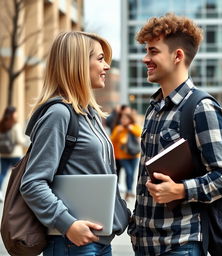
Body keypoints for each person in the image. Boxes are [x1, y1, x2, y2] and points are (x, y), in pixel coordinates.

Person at [128, 13, 222, 256]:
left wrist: (180, 190)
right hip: (146, 244)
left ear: (178, 56)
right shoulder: (154, 108)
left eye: (153, 51)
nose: (145, 58)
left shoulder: (202, 107)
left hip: (180, 244)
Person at [20, 31, 130, 256]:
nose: (107, 66)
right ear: (78, 64)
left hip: (98, 240)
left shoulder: (89, 114)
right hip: (72, 243)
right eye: (100, 59)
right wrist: (68, 224)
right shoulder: (58, 114)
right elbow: (32, 183)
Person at [110, 111, 142, 200]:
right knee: (129, 172)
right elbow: (111, 139)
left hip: (134, 155)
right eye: (122, 118)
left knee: (132, 174)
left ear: (130, 119)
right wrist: (118, 133)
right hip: (123, 155)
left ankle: (129, 191)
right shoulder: (119, 128)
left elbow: (140, 133)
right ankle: (129, 190)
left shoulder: (134, 127)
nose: (123, 120)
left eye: (125, 118)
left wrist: (131, 128)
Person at [0, 106, 26, 202]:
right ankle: (19, 193)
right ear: (12, 114)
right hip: (14, 154)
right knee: (20, 173)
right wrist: (26, 141)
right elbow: (19, 140)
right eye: (16, 113)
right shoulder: (15, 125)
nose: (17, 114)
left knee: (2, 173)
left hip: (3, 154)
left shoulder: (2, 124)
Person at [106, 104, 132, 180]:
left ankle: (126, 188)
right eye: (126, 110)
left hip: (127, 150)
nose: (128, 112)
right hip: (117, 150)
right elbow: (112, 137)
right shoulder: (116, 119)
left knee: (128, 172)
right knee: (117, 169)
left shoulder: (129, 121)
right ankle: (117, 185)